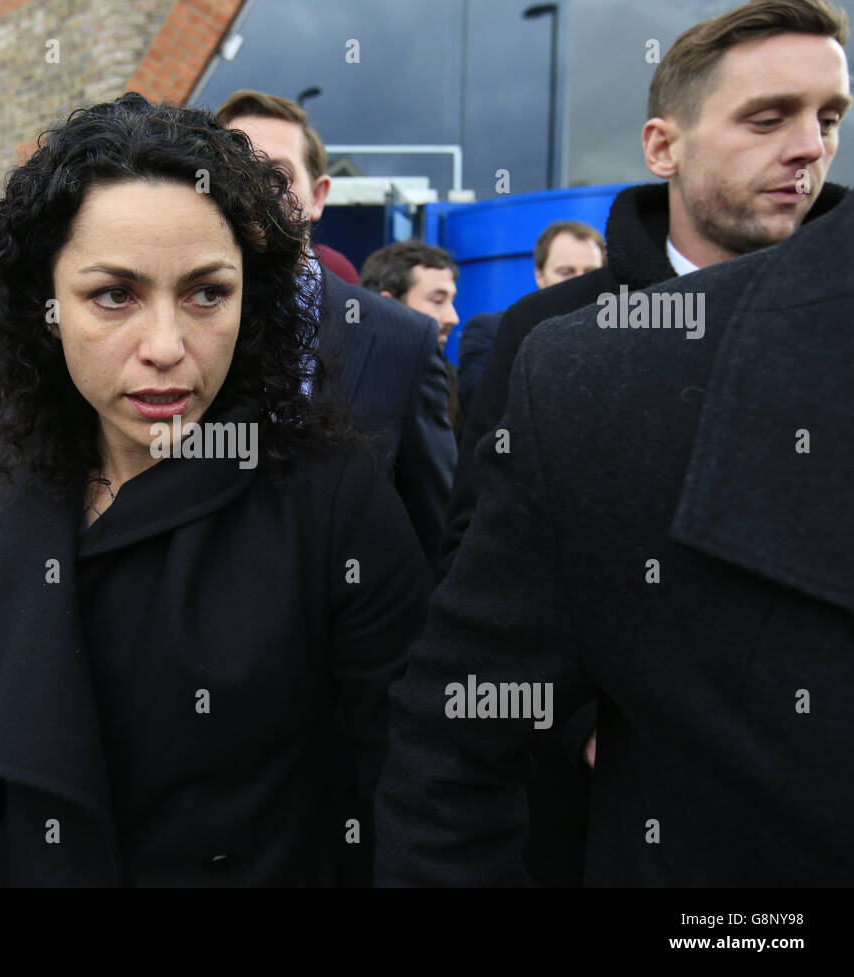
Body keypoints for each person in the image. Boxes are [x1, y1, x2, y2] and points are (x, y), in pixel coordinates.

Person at [0, 93, 431, 887]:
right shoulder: (21, 472)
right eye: (115, 294)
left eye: (207, 292)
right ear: (46, 307)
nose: (167, 346)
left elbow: (417, 786)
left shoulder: (334, 502)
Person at [423, 0, 849, 889]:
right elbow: (484, 581)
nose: (810, 147)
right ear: (664, 147)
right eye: (767, 118)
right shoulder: (554, 340)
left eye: (830, 117)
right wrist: (585, 717)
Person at [215, 90, 456, 564]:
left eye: (276, 176)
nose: (253, 191)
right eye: (233, 174)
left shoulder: (403, 341)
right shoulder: (172, 330)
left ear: (319, 195)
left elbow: (435, 529)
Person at [457, 220, 605, 416]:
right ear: (539, 275)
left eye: (591, 274)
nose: (580, 282)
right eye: (565, 272)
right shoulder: (492, 331)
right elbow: (479, 405)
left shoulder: (621, 335)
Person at [359, 242, 462, 434]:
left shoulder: (456, 385)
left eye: (452, 301)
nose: (453, 318)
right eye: (437, 301)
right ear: (388, 305)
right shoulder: (343, 385)